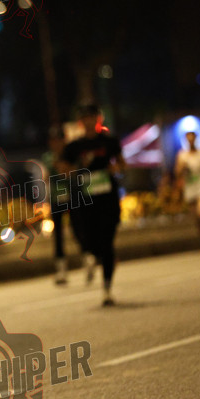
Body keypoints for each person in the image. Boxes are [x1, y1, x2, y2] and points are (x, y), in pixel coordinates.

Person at [61, 104, 126, 306]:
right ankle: (90, 256)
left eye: (92, 117)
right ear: (80, 121)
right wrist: (74, 172)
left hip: (108, 198)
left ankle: (107, 288)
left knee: (108, 242)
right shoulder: (74, 146)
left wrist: (115, 168)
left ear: (98, 119)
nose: (88, 121)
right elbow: (62, 167)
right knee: (88, 236)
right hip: (86, 200)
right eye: (85, 118)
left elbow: (122, 163)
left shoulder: (109, 141)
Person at [174, 131, 200, 254]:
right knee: (197, 218)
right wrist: (182, 168)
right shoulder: (182, 155)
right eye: (188, 139)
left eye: (192, 138)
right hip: (190, 189)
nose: (190, 141)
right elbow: (177, 173)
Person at [41, 126, 70, 285]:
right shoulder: (47, 157)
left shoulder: (70, 154)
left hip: (72, 196)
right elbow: (45, 177)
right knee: (58, 234)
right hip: (56, 198)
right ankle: (61, 268)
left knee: (79, 228)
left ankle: (89, 256)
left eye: (59, 140)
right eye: (53, 140)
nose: (56, 143)